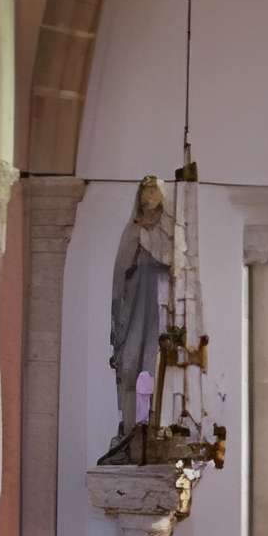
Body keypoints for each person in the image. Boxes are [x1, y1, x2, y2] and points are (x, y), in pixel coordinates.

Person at [107, 176, 173, 453]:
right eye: (145, 190)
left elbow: (173, 261)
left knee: (156, 362)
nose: (148, 196)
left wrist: (151, 244)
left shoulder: (169, 230)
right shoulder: (132, 230)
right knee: (131, 362)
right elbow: (121, 272)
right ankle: (132, 430)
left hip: (158, 303)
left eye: (153, 190)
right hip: (135, 305)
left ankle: (157, 428)